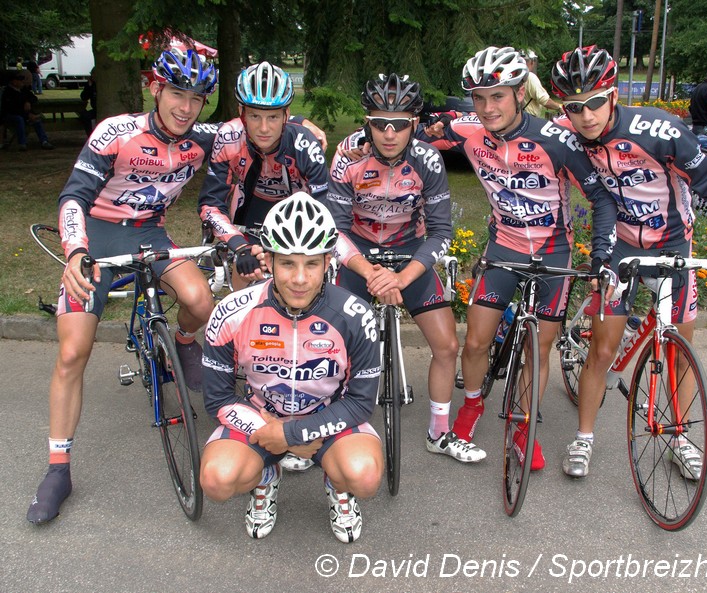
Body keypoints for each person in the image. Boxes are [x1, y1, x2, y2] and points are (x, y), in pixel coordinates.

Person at [25, 49, 252, 525]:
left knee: (200, 301)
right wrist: (75, 252)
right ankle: (58, 467)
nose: (186, 108)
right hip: (97, 233)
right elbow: (73, 196)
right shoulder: (117, 132)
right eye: (177, 94)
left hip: (150, 231)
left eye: (197, 98)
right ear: (156, 88)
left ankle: (183, 345)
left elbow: (259, 130)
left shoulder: (205, 139)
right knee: (72, 352)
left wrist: (308, 129)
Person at [550, 46, 707, 478]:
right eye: (575, 108)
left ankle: (678, 437)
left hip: (672, 248)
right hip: (619, 248)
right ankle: (584, 438)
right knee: (603, 349)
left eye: (596, 101)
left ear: (613, 95)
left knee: (680, 354)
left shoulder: (659, 129)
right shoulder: (567, 132)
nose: (587, 116)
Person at [417, 47, 617, 469]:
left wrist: (600, 255)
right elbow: (407, 132)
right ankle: (472, 405)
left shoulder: (557, 139)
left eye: (499, 96)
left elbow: (600, 197)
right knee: (474, 341)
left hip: (553, 252)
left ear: (520, 92)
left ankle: (525, 425)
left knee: (537, 350)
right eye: (479, 98)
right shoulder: (468, 131)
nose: (488, 108)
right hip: (503, 249)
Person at [199, 193, 383, 543]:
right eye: (287, 264)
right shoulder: (231, 311)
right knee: (217, 480)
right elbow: (218, 398)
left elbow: (360, 403)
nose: (299, 278)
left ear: (329, 261)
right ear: (267, 260)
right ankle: (265, 477)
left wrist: (297, 434)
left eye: (311, 264)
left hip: (331, 416)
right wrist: (273, 432)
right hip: (261, 418)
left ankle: (338, 484)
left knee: (365, 476)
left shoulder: (357, 316)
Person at [328, 74, 486, 464]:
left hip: (409, 252)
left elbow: (441, 231)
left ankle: (439, 432)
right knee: (334, 347)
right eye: (380, 123)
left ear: (414, 124)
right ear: (367, 121)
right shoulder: (347, 156)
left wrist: (401, 276)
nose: (388, 133)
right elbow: (334, 229)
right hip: (359, 254)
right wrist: (369, 272)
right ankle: (328, 426)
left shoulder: (427, 160)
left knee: (448, 345)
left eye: (399, 124)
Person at [199, 61, 328, 293]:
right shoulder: (228, 136)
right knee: (246, 274)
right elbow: (210, 205)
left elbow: (325, 205)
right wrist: (239, 246)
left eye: (273, 117)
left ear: (286, 115)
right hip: (252, 208)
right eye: (255, 116)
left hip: (298, 210)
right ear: (242, 114)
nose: (264, 128)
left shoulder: (305, 143)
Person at [0, 72, 54, 150]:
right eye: (20, 80)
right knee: (19, 119)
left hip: (24, 114)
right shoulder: (7, 92)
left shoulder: (23, 90)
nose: (22, 82)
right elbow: (11, 109)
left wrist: (28, 101)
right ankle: (22, 143)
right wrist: (27, 115)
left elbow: (34, 98)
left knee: (37, 120)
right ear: (14, 82)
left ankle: (44, 141)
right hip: (10, 115)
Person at [520, 49, 560, 118]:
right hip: (529, 118)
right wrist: (559, 108)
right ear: (532, 62)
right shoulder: (530, 77)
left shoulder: (514, 76)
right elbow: (545, 100)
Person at [79, 68, 97, 136]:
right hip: (95, 109)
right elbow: (84, 97)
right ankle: (90, 136)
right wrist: (89, 86)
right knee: (84, 116)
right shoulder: (90, 84)